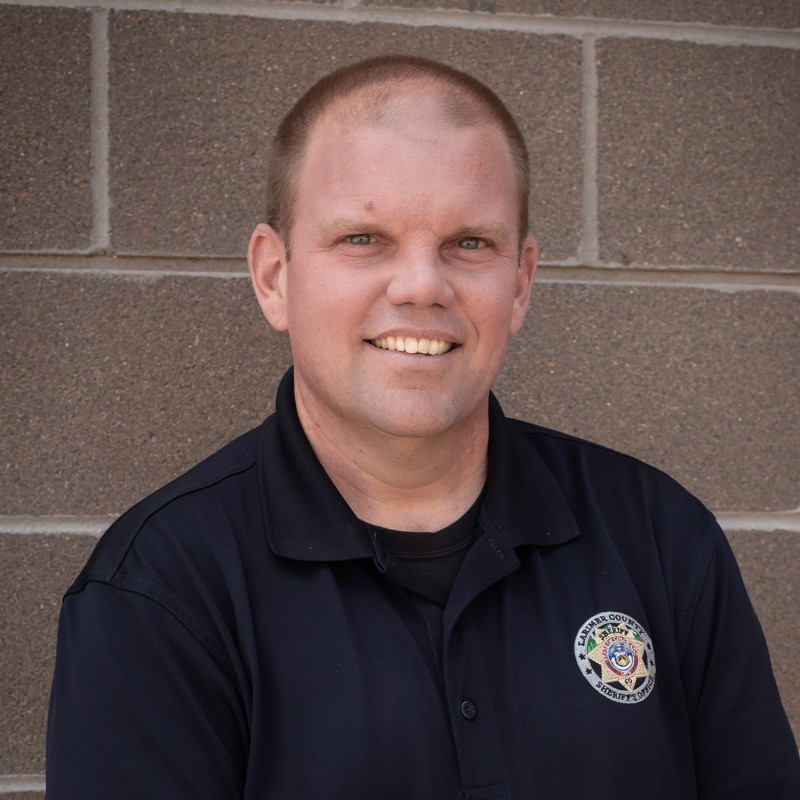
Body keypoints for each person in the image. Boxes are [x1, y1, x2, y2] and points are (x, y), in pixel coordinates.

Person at [45, 56, 799, 799]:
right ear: (274, 277)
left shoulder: (661, 539)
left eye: (469, 243)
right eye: (363, 240)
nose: (420, 287)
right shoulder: (157, 593)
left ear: (521, 282)